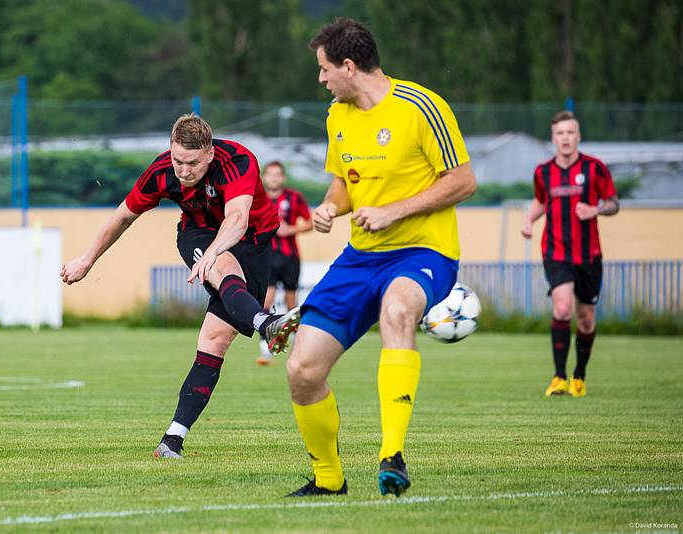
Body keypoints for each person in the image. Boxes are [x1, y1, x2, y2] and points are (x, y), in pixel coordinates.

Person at [285, 18, 476, 498]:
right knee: (302, 369)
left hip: (423, 251)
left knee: (397, 310)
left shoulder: (421, 106)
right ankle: (329, 481)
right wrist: (330, 207)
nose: (321, 79)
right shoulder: (337, 116)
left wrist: (394, 212)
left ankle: (392, 456)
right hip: (360, 257)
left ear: (349, 66)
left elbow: (463, 181)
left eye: (325, 69)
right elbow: (343, 182)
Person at [61, 114, 300, 459]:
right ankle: (267, 324)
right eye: (177, 160)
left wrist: (217, 249)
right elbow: (122, 216)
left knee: (215, 340)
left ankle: (172, 439)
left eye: (192, 163)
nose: (183, 170)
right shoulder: (161, 171)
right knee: (223, 267)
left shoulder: (238, 161)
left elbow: (237, 219)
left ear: (210, 154)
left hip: (252, 241)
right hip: (198, 235)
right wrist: (86, 260)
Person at [521, 110, 619, 398]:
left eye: (570, 132)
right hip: (556, 252)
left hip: (589, 255)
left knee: (586, 318)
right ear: (553, 138)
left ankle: (579, 376)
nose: (565, 138)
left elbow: (613, 203)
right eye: (560, 133)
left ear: (578, 136)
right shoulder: (543, 172)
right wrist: (528, 220)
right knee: (562, 308)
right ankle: (559, 376)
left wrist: (595, 209)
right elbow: (541, 201)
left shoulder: (596, 168)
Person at [257, 161, 313, 365]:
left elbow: (310, 223)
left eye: (277, 174)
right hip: (267, 256)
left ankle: (297, 347)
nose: (273, 178)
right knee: (266, 300)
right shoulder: (257, 198)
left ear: (283, 178)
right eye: (270, 174)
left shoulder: (294, 197)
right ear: (264, 177)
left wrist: (290, 229)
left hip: (290, 257)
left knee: (291, 304)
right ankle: (265, 347)